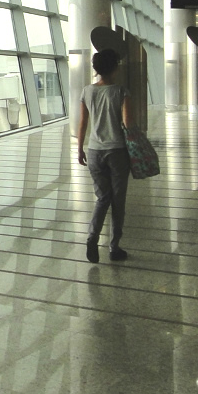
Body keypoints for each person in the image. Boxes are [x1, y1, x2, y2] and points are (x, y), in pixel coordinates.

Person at [76, 50, 132, 264]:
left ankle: (92, 237)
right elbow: (128, 123)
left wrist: (80, 149)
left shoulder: (87, 91)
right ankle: (114, 248)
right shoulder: (121, 91)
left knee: (102, 198)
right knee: (118, 201)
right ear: (115, 68)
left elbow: (83, 123)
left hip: (94, 151)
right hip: (117, 151)